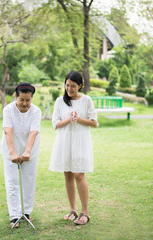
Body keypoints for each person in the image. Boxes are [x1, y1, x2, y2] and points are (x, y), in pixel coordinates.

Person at [49, 71, 98, 225]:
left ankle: (85, 212)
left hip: (81, 141)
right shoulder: (59, 101)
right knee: (68, 174)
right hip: (64, 140)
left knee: (79, 174)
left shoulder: (87, 100)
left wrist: (79, 119)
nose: (69, 89)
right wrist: (69, 119)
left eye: (73, 86)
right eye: (67, 85)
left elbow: (94, 122)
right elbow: (55, 124)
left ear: (80, 86)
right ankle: (73, 210)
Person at [0, 82, 41, 228]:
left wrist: (27, 151)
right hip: (10, 150)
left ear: (31, 99)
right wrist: (12, 152)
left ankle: (27, 212)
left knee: (29, 181)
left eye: (28, 100)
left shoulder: (36, 111)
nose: (24, 103)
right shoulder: (8, 110)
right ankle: (14, 216)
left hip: (30, 151)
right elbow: (8, 131)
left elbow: (33, 132)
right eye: (21, 100)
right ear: (16, 97)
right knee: (12, 182)